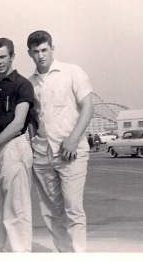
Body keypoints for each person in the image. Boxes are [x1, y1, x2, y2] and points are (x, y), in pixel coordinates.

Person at [27, 30, 94, 252]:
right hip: (42, 155)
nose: (41, 55)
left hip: (70, 153)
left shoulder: (72, 72)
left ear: (52, 49)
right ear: (30, 54)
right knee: (51, 212)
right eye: (36, 52)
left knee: (73, 209)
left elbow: (88, 107)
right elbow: (32, 121)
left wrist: (73, 139)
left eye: (44, 50)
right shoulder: (29, 84)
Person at [0, 38, 36, 252]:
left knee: (17, 211)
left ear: (12, 57)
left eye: (3, 57)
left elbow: (18, 123)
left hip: (15, 148)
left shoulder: (23, 85)